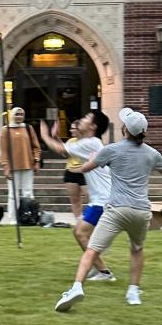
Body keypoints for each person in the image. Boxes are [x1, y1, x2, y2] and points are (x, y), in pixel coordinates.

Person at [54, 108, 162, 312]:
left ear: (124, 129)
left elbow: (85, 168)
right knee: (136, 249)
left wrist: (84, 164)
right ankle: (133, 292)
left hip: (116, 209)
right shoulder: (152, 153)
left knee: (92, 250)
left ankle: (76, 288)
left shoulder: (111, 150)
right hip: (140, 211)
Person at [40, 110, 116, 281]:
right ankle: (100, 265)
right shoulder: (89, 143)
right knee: (81, 233)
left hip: (103, 201)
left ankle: (104, 271)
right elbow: (67, 151)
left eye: (85, 118)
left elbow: (59, 149)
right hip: (101, 200)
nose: (81, 120)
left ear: (93, 126)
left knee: (80, 233)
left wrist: (44, 135)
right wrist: (55, 137)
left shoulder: (90, 143)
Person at [0, 107, 41, 223]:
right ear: (12, 115)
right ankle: (13, 218)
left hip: (28, 165)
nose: (19, 116)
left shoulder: (28, 128)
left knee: (28, 192)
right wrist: (5, 167)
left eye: (21, 114)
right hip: (13, 167)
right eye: (17, 114)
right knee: (13, 194)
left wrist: (36, 161)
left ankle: (29, 216)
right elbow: (3, 151)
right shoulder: (5, 130)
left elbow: (36, 146)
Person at [63, 120, 89, 219]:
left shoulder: (89, 141)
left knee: (91, 198)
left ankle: (89, 220)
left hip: (85, 172)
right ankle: (78, 220)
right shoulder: (70, 141)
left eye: (73, 128)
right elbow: (65, 155)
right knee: (74, 199)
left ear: (80, 129)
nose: (70, 130)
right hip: (70, 172)